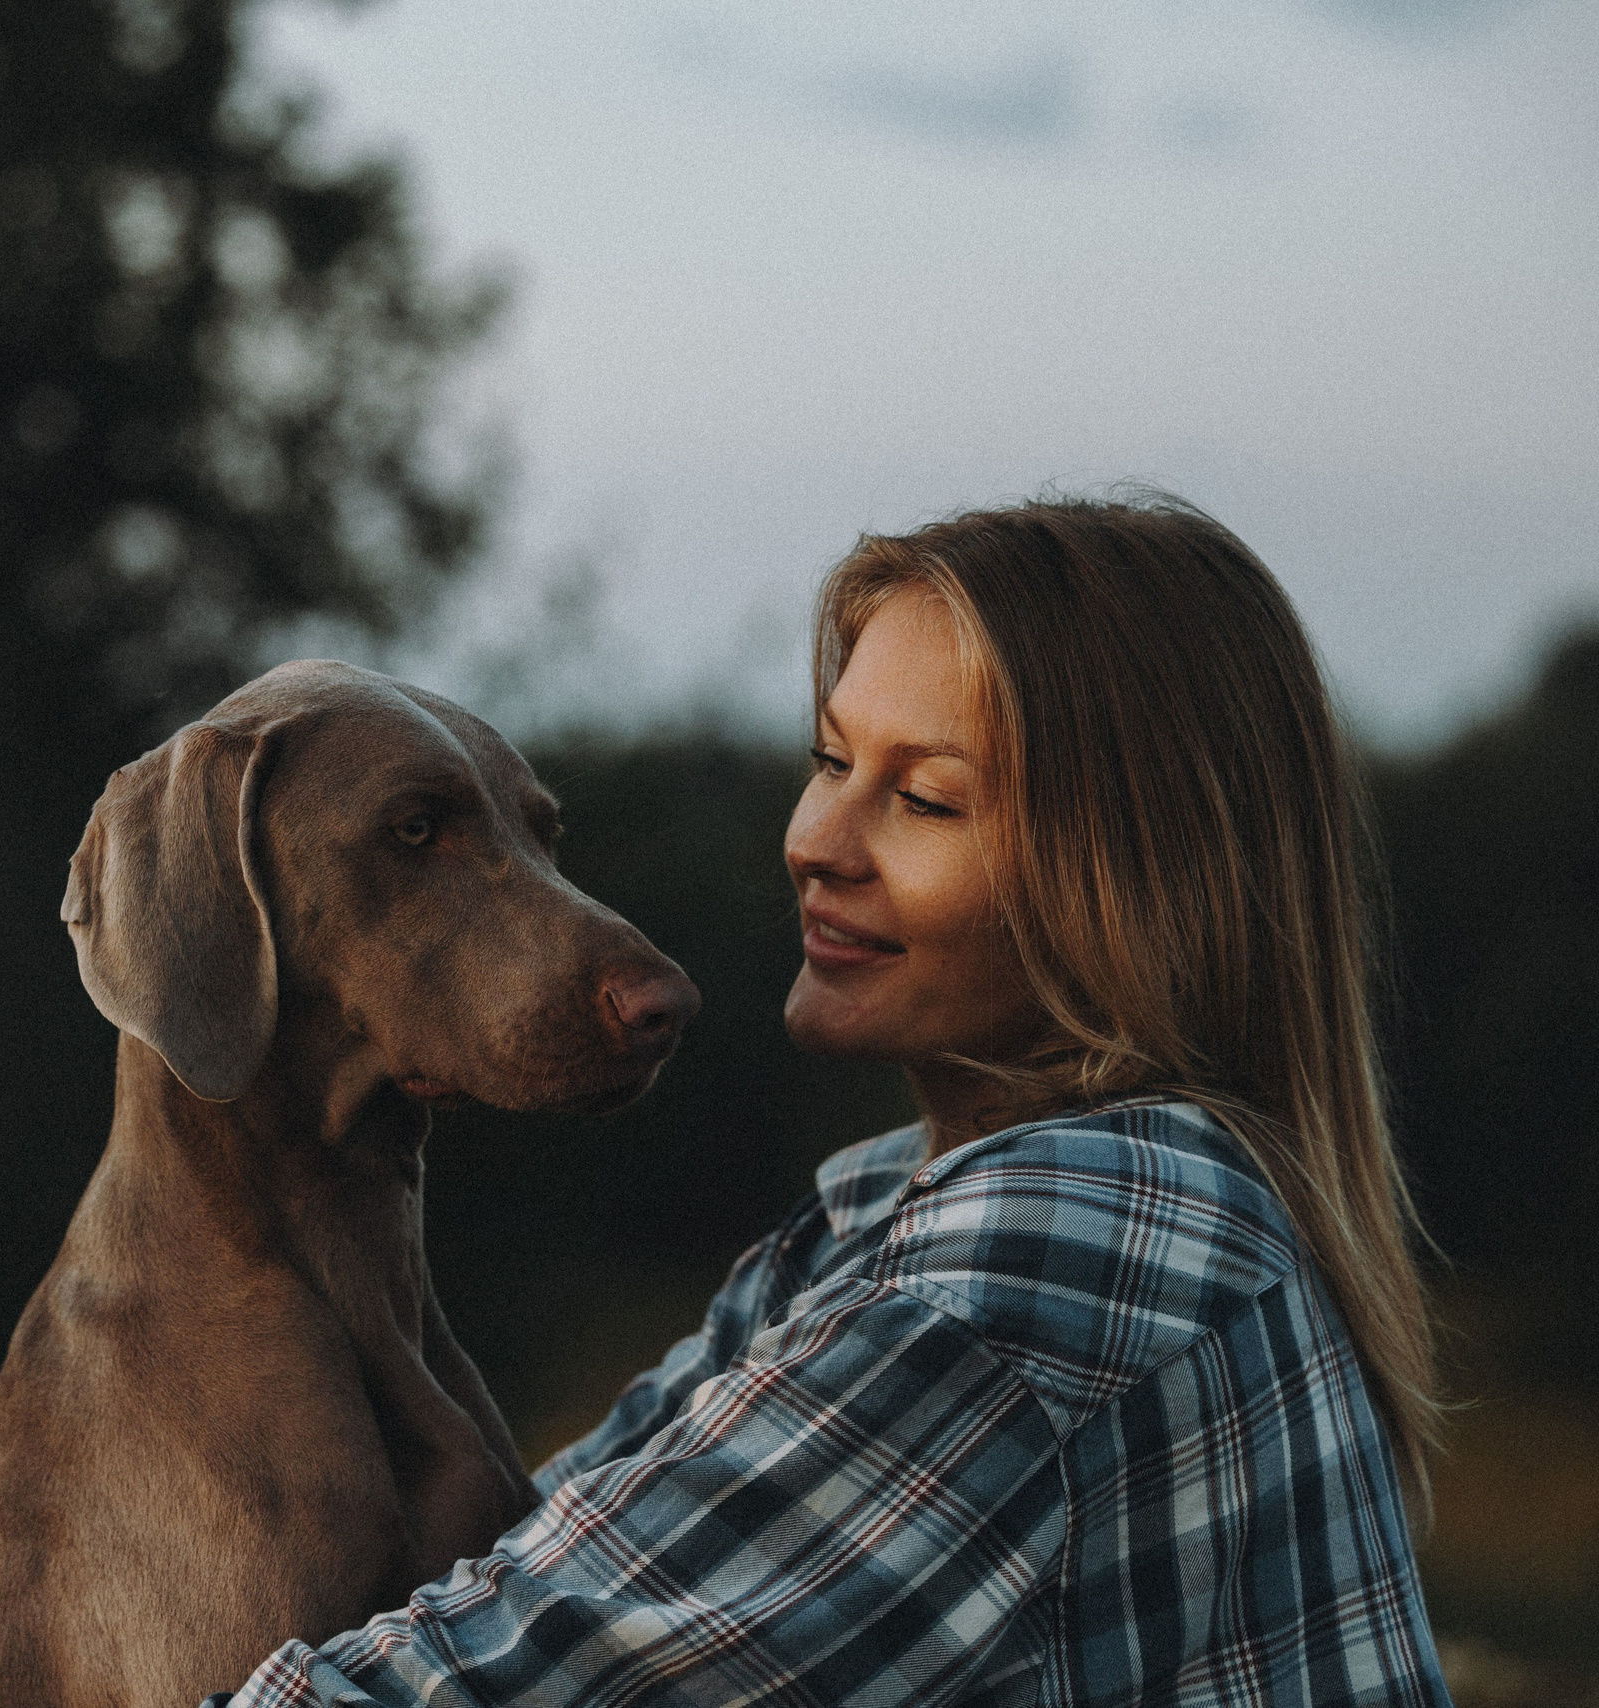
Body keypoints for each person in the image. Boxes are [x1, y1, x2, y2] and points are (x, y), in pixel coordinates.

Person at [211, 494, 1452, 1707]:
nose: (815, 838)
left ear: (1136, 878)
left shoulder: (1057, 1257)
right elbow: (533, 1564)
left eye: (922, 798)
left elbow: (476, 1674)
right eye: (832, 760)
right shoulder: (877, 1219)